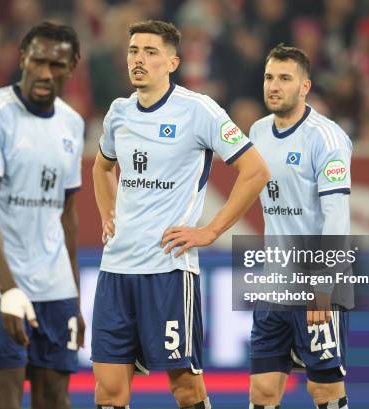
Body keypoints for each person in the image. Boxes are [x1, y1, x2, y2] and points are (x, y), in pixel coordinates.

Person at [92, 20, 269, 409]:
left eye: (150, 52)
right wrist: (109, 214)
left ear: (173, 62)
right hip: (116, 270)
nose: (139, 60)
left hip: (168, 271)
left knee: (185, 388)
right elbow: (102, 167)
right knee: (108, 391)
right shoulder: (119, 113)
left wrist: (210, 231)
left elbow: (256, 171)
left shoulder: (198, 110)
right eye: (133, 51)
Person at [0, 22, 85, 409]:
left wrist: (75, 297)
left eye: (57, 64)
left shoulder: (72, 123)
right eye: (38, 61)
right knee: (5, 402)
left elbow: (67, 214)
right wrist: (7, 289)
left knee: (54, 401)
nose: (46, 73)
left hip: (56, 287)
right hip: (0, 284)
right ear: (22, 59)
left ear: (72, 67)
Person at [248, 44, 353, 409]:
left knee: (324, 390)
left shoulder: (326, 138)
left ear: (305, 86)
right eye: (269, 77)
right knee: (262, 391)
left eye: (284, 78)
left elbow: (337, 216)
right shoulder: (258, 132)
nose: (273, 86)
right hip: (274, 283)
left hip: (316, 285)